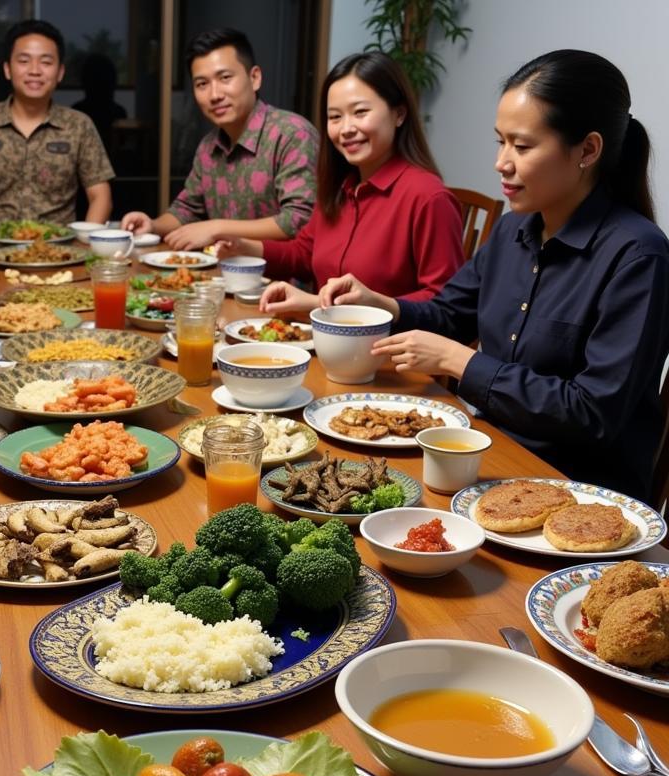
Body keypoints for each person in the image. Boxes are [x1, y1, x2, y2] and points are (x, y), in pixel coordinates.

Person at [320, 50, 669, 503]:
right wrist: (382, 303)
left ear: (587, 150)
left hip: (581, 495)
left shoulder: (638, 254)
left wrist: (460, 362)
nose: (501, 162)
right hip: (491, 456)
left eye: (522, 146)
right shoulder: (514, 229)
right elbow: (449, 316)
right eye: (500, 142)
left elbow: (592, 412)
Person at [217, 52, 464, 316]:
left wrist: (325, 305)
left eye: (360, 112)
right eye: (335, 117)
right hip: (327, 340)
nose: (346, 128)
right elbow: (304, 253)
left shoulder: (427, 196)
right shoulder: (343, 186)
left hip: (389, 351)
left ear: (399, 114)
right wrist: (247, 247)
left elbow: (445, 306)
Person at [120, 28, 318, 251]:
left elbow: (299, 219)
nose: (214, 95)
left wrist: (216, 228)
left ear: (254, 78)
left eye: (225, 78)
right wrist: (153, 225)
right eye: (202, 84)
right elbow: (187, 209)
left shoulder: (292, 134)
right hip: (220, 277)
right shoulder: (208, 146)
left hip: (280, 281)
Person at [0, 19, 113, 226]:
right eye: (24, 61)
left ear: (60, 73)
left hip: (56, 249)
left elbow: (101, 197)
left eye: (46, 62)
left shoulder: (79, 125)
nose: (35, 70)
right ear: (7, 70)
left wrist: (85, 244)